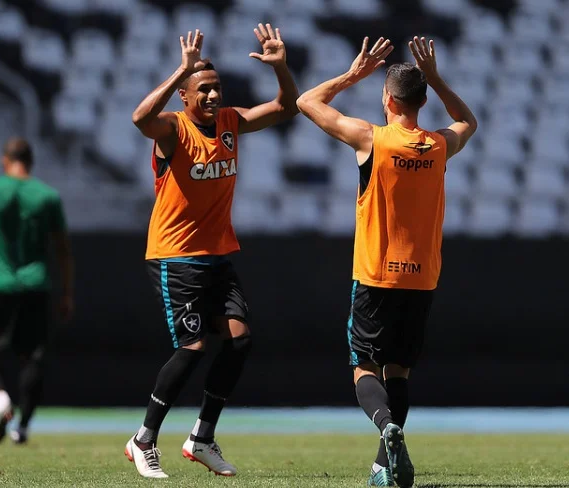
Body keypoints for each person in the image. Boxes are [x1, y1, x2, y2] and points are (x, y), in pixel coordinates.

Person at [296, 36, 477, 487]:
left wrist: (352, 75)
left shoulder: (370, 139)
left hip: (376, 276)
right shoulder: (437, 146)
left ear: (388, 100)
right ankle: (382, 467)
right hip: (422, 280)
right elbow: (467, 120)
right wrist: (435, 77)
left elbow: (306, 101)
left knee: (364, 368)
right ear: (421, 100)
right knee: (399, 370)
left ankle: (385, 426)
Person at [125, 25, 298, 479]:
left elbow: (285, 108)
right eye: (202, 89)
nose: (212, 95)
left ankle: (201, 437)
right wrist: (180, 69)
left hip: (217, 254)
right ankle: (143, 440)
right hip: (174, 256)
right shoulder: (172, 130)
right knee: (194, 346)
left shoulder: (229, 123)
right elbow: (139, 118)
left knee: (240, 339)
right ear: (184, 95)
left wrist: (281, 68)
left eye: (216, 87)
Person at [0, 137, 74, 445]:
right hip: (36, 284)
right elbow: (62, 249)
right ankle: (21, 426)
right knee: (33, 357)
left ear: (4, 160)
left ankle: (0, 400)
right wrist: (66, 292)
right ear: (31, 160)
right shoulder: (47, 196)